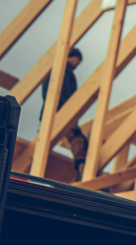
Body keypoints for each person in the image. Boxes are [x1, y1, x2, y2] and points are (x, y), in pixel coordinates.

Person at [40, 47, 88, 177]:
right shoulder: (63, 70)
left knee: (44, 141)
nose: (77, 63)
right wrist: (65, 109)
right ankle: (81, 171)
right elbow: (64, 93)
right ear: (69, 57)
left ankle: (81, 169)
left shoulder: (62, 71)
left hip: (55, 112)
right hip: (60, 112)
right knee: (78, 139)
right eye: (77, 60)